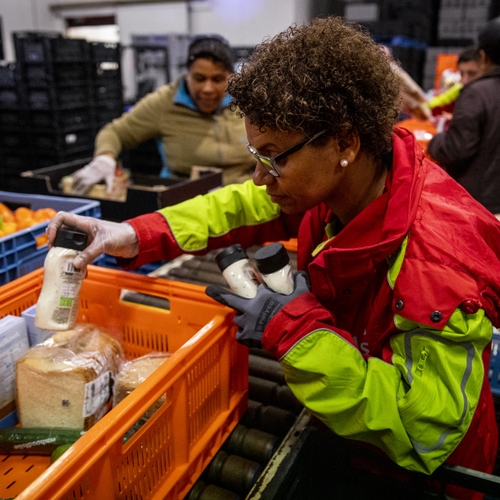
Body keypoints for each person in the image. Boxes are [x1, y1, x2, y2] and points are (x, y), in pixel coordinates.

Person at [48, 17, 500, 499]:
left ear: (344, 141)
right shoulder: (350, 182)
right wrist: (131, 233)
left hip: (424, 481)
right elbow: (239, 205)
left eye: (273, 157)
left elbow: (422, 429)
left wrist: (297, 330)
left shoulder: (438, 263)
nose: (262, 177)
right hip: (352, 441)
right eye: (256, 155)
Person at [71, 34, 255, 194]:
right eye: (199, 79)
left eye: (217, 79)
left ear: (231, 77)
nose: (208, 88)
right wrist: (105, 157)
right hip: (187, 201)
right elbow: (115, 132)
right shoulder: (164, 103)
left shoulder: (247, 102)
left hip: (243, 199)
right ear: (187, 74)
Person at [428, 17, 500, 214]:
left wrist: (436, 141)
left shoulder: (477, 93)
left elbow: (456, 150)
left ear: (483, 57)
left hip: (482, 209)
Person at [428, 46, 483, 115]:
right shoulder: (459, 89)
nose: (464, 81)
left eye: (472, 74)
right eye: (461, 74)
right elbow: (435, 103)